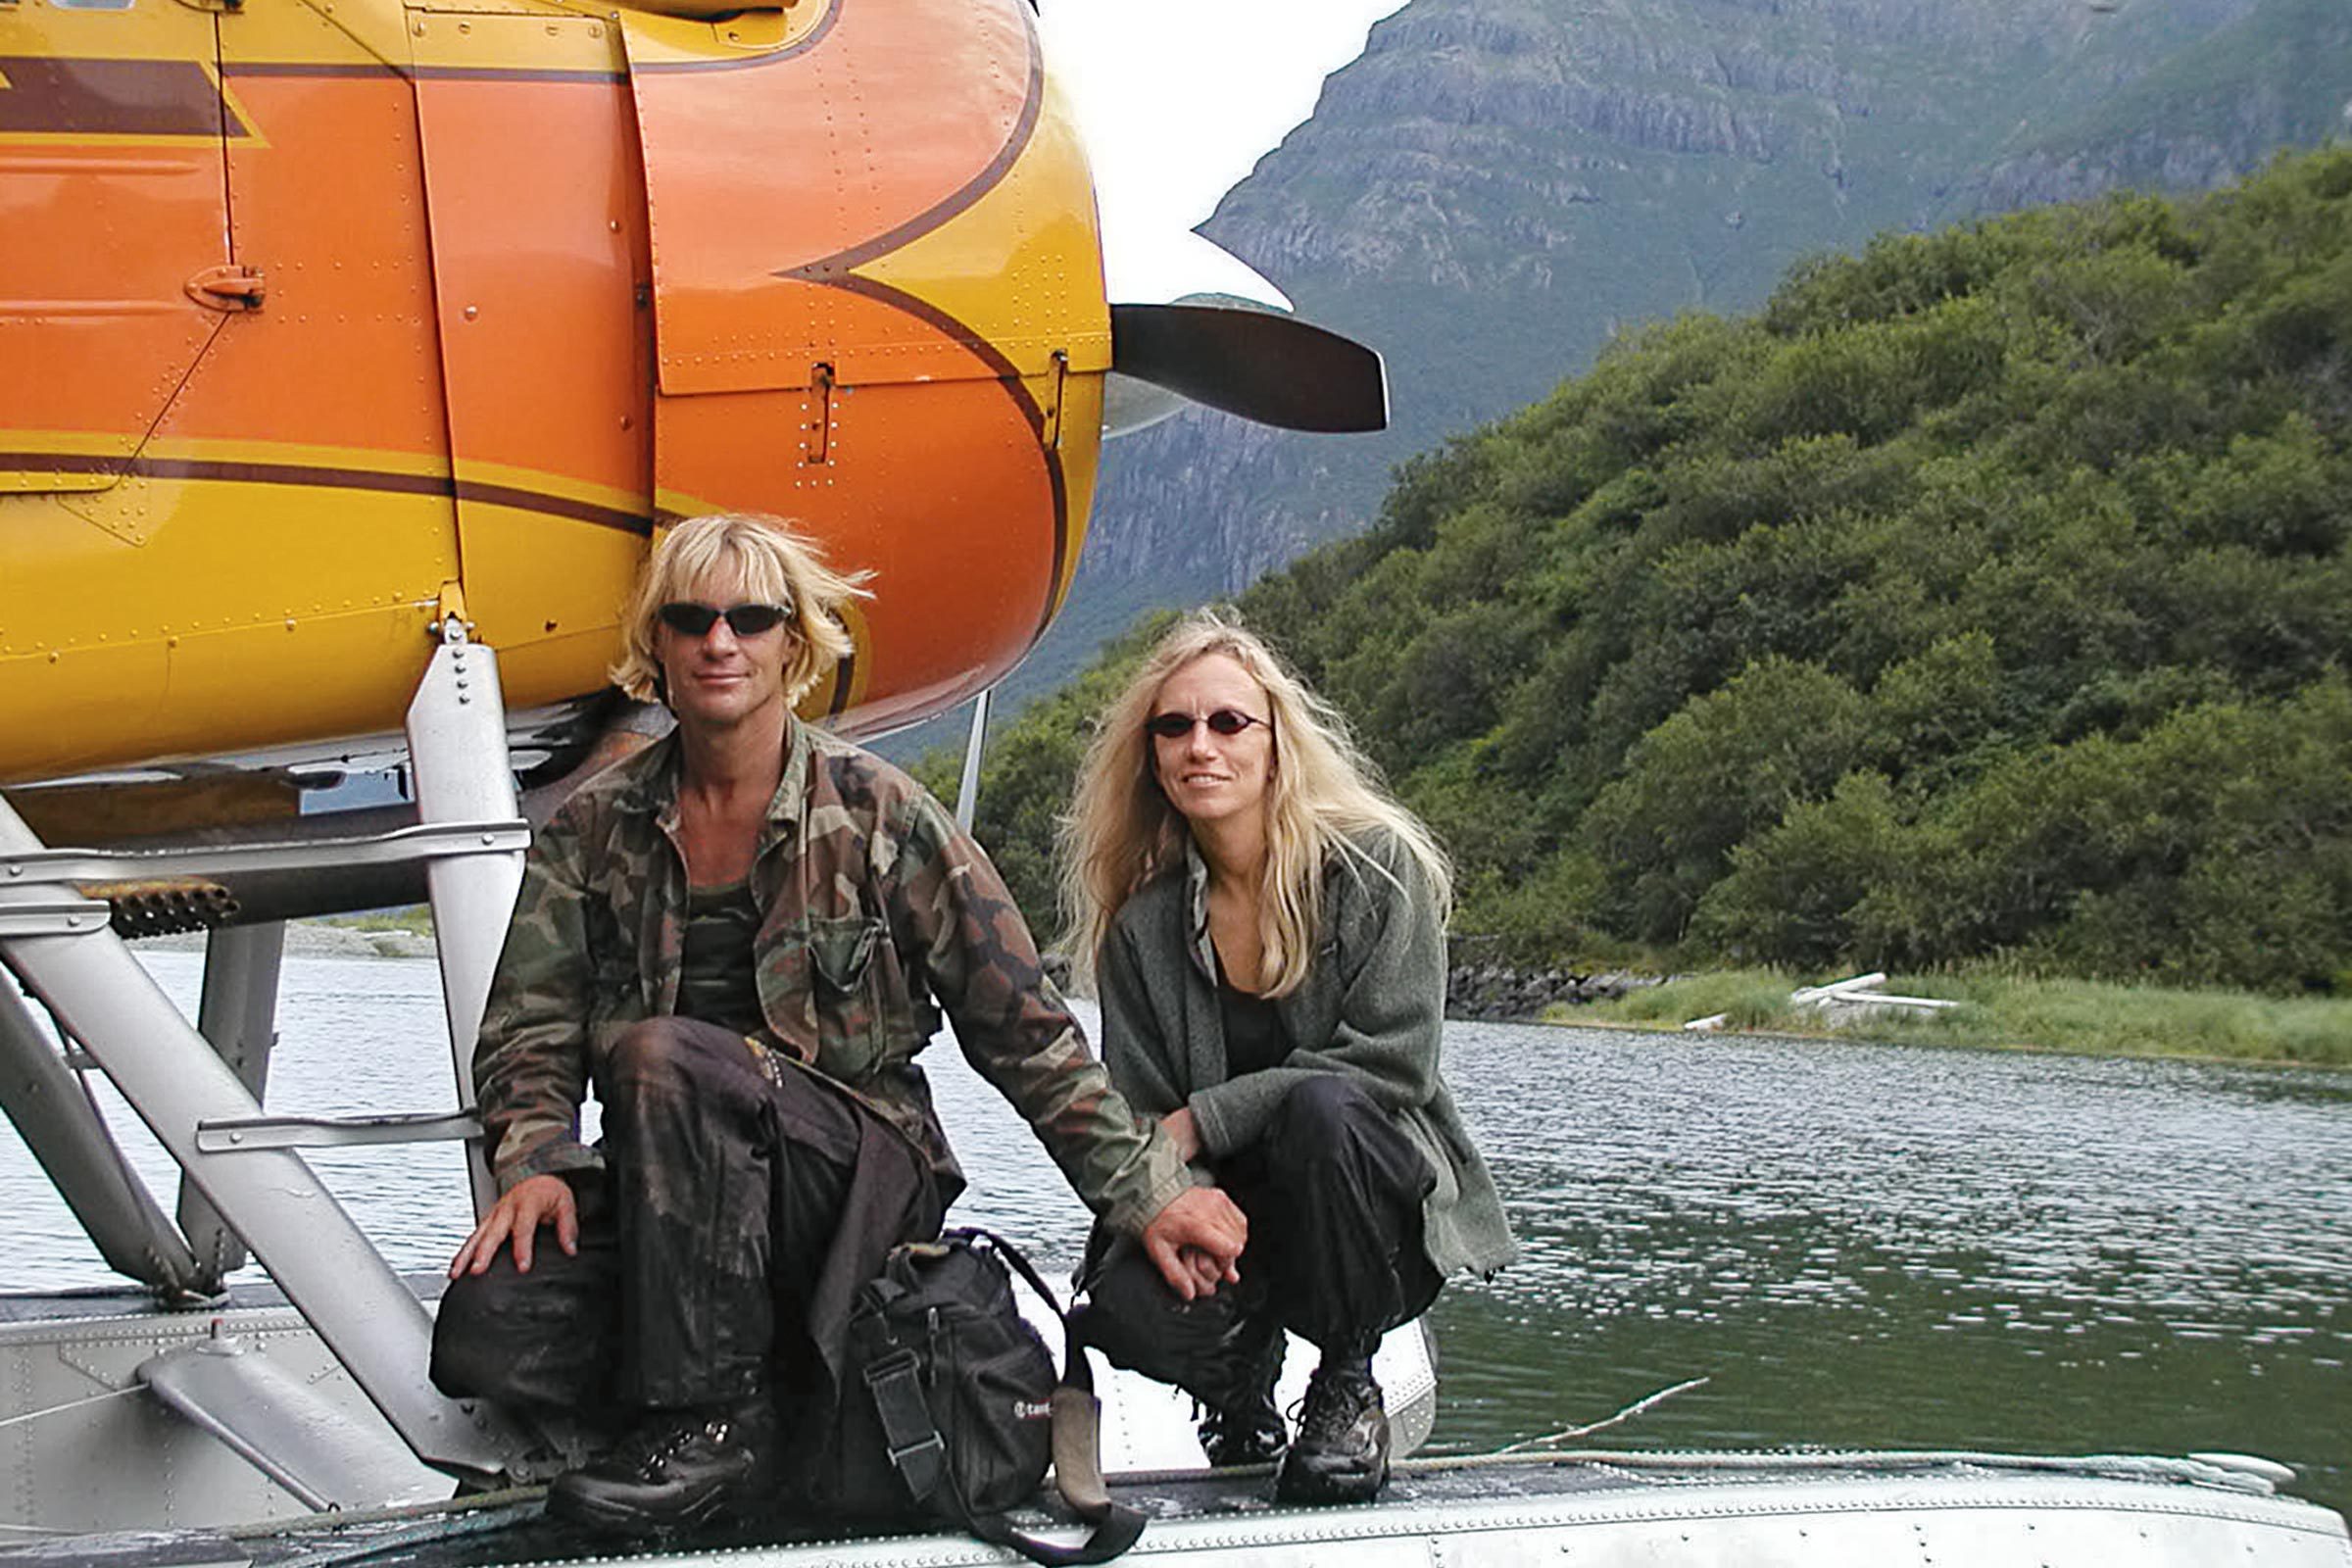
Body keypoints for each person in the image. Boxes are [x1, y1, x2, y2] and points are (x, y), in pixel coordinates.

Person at [429, 514, 1247, 1533]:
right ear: (659, 648)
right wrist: (539, 1156)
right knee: (486, 1329)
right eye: (691, 619)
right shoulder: (594, 830)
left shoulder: (883, 814)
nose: (719, 641)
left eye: (749, 618)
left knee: (665, 1058)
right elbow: (528, 1028)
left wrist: (1148, 1196)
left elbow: (1023, 1029)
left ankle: (708, 1424)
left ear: (793, 644)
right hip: (674, 1207)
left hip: (855, 1180)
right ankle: (756, 1396)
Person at [1058, 612, 1515, 1505]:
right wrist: (1173, 1200)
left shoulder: (1377, 868)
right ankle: (1239, 1394)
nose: (1202, 745)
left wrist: (1214, 1115)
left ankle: (1347, 1381)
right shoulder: (1142, 929)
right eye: (1175, 726)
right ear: (1151, 754)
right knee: (1120, 1307)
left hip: (1370, 1201)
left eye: (1229, 722)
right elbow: (1151, 1127)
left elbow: (1392, 1066)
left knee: (1322, 1112)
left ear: (1276, 743)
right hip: (1235, 1220)